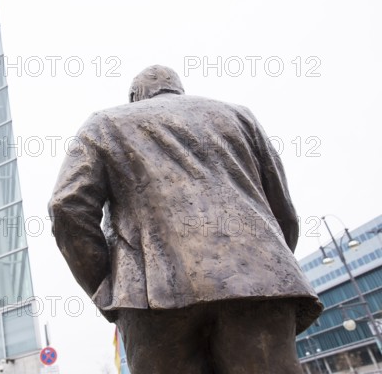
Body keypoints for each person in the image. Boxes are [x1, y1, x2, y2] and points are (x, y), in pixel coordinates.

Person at [48, 65, 322, 373]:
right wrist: (270, 267)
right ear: (178, 89)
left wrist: (107, 284)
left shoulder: (104, 124)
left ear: (133, 97)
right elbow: (282, 210)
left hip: (151, 293)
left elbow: (66, 208)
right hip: (260, 282)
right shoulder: (240, 117)